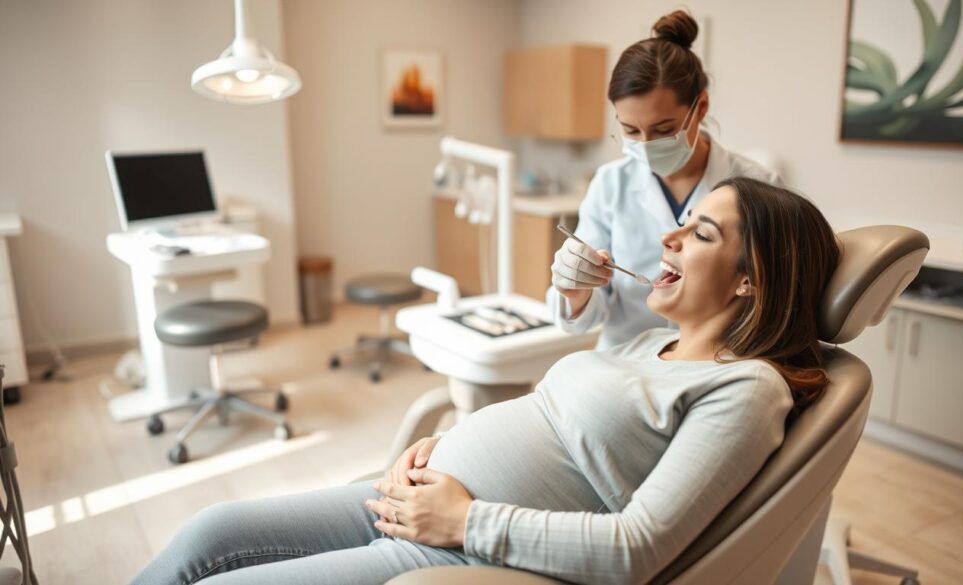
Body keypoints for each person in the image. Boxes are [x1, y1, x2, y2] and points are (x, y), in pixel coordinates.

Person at [130, 177, 839, 585]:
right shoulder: (654, 342)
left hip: (454, 546)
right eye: (681, 221)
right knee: (209, 530)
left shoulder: (745, 390)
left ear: (753, 280)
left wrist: (463, 519)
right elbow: (550, 424)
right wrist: (447, 439)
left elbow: (637, 548)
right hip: (413, 502)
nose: (669, 237)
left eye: (701, 234)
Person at [549, 9, 782, 350]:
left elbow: (775, 299)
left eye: (663, 130)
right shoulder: (610, 184)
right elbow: (586, 315)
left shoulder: (758, 186)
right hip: (624, 358)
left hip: (714, 362)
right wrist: (576, 289)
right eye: (629, 130)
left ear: (700, 107)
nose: (645, 145)